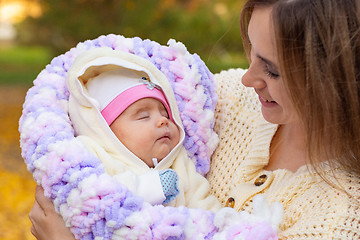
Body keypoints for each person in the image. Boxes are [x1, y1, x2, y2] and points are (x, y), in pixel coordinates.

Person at [28, 0, 360, 238]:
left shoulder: (340, 219)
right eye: (252, 53)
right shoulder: (222, 100)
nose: (249, 78)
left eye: (272, 70)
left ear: (335, 81)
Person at [66, 47, 223, 208]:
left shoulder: (180, 163)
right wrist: (150, 188)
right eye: (144, 116)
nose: (163, 120)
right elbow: (93, 195)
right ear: (106, 131)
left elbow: (204, 205)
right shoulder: (94, 153)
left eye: (166, 114)